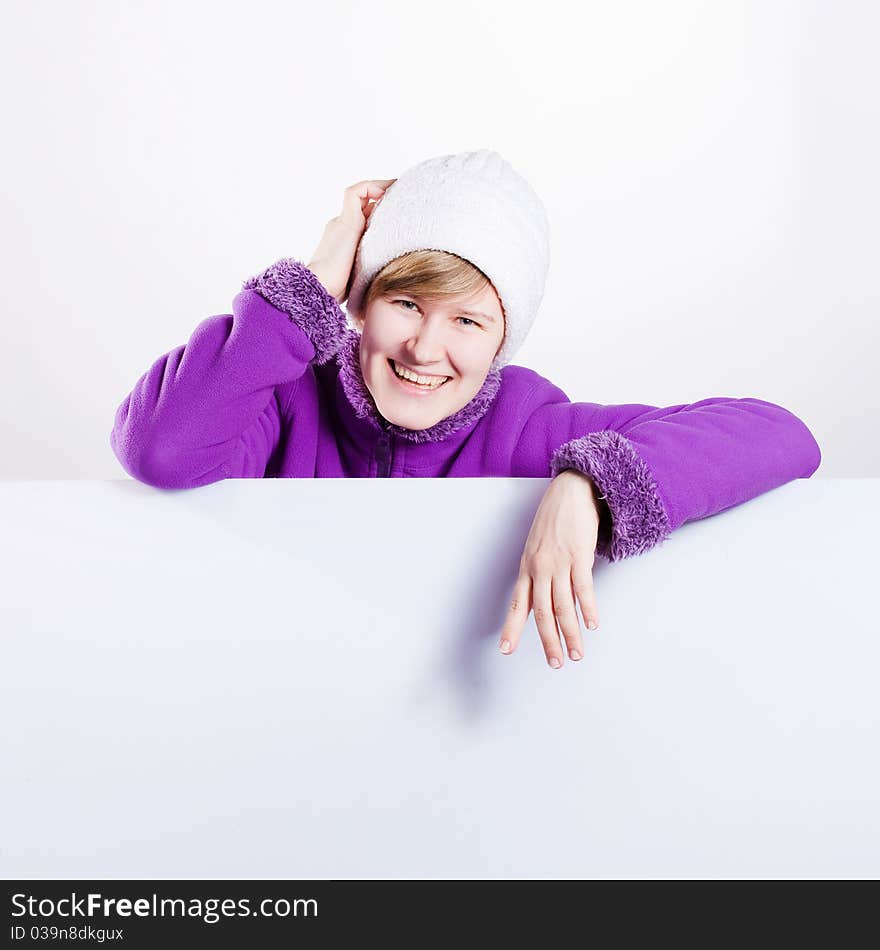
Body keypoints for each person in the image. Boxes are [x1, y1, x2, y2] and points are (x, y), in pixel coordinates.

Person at [110, 149, 822, 671]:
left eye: (468, 323)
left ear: (503, 339)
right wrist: (313, 283)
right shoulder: (285, 395)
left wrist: (589, 484)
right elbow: (162, 449)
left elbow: (780, 433)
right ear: (361, 299)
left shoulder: (531, 427)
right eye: (406, 303)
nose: (425, 347)